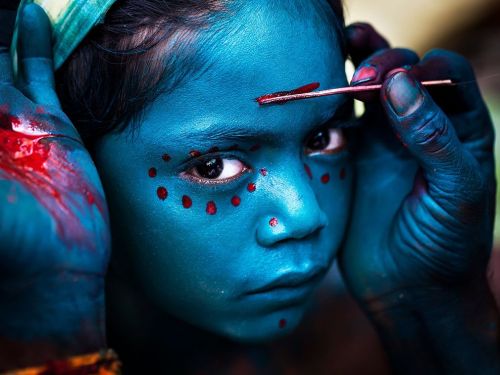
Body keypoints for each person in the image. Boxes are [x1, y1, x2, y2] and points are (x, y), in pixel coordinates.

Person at [0, 0, 498, 373]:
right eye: (214, 168)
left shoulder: (454, 296)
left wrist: (432, 308)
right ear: (65, 170)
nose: (306, 216)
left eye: (322, 138)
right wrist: (56, 326)